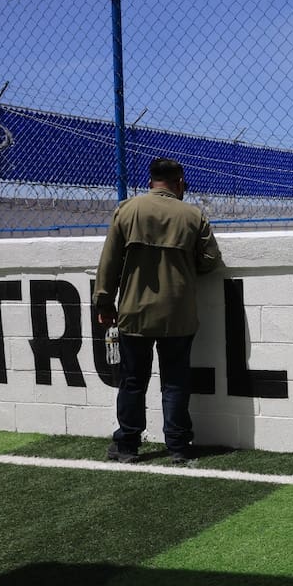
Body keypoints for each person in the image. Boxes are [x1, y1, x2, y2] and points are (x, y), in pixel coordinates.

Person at [95, 158, 222, 464]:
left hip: (134, 312)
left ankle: (127, 445)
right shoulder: (193, 215)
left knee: (133, 381)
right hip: (178, 312)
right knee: (176, 380)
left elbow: (109, 263)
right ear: (179, 183)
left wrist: (104, 302)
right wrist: (184, 267)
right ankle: (178, 446)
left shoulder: (127, 210)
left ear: (151, 182)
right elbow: (211, 259)